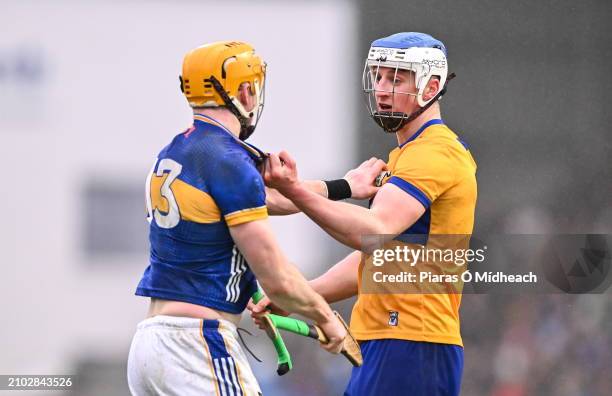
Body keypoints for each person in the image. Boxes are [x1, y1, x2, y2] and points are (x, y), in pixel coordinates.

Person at [127, 41, 383, 396]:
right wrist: (327, 320)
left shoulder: (179, 151)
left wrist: (344, 186)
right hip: (196, 344)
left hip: (148, 347)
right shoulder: (229, 161)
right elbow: (277, 277)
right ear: (245, 91)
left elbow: (272, 197)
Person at [252, 32, 477, 395]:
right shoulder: (405, 156)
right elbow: (378, 256)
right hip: (383, 340)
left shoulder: (436, 153)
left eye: (397, 78)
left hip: (413, 340)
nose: (383, 89)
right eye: (379, 77)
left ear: (431, 85)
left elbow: (374, 228)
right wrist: (301, 296)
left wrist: (293, 187)